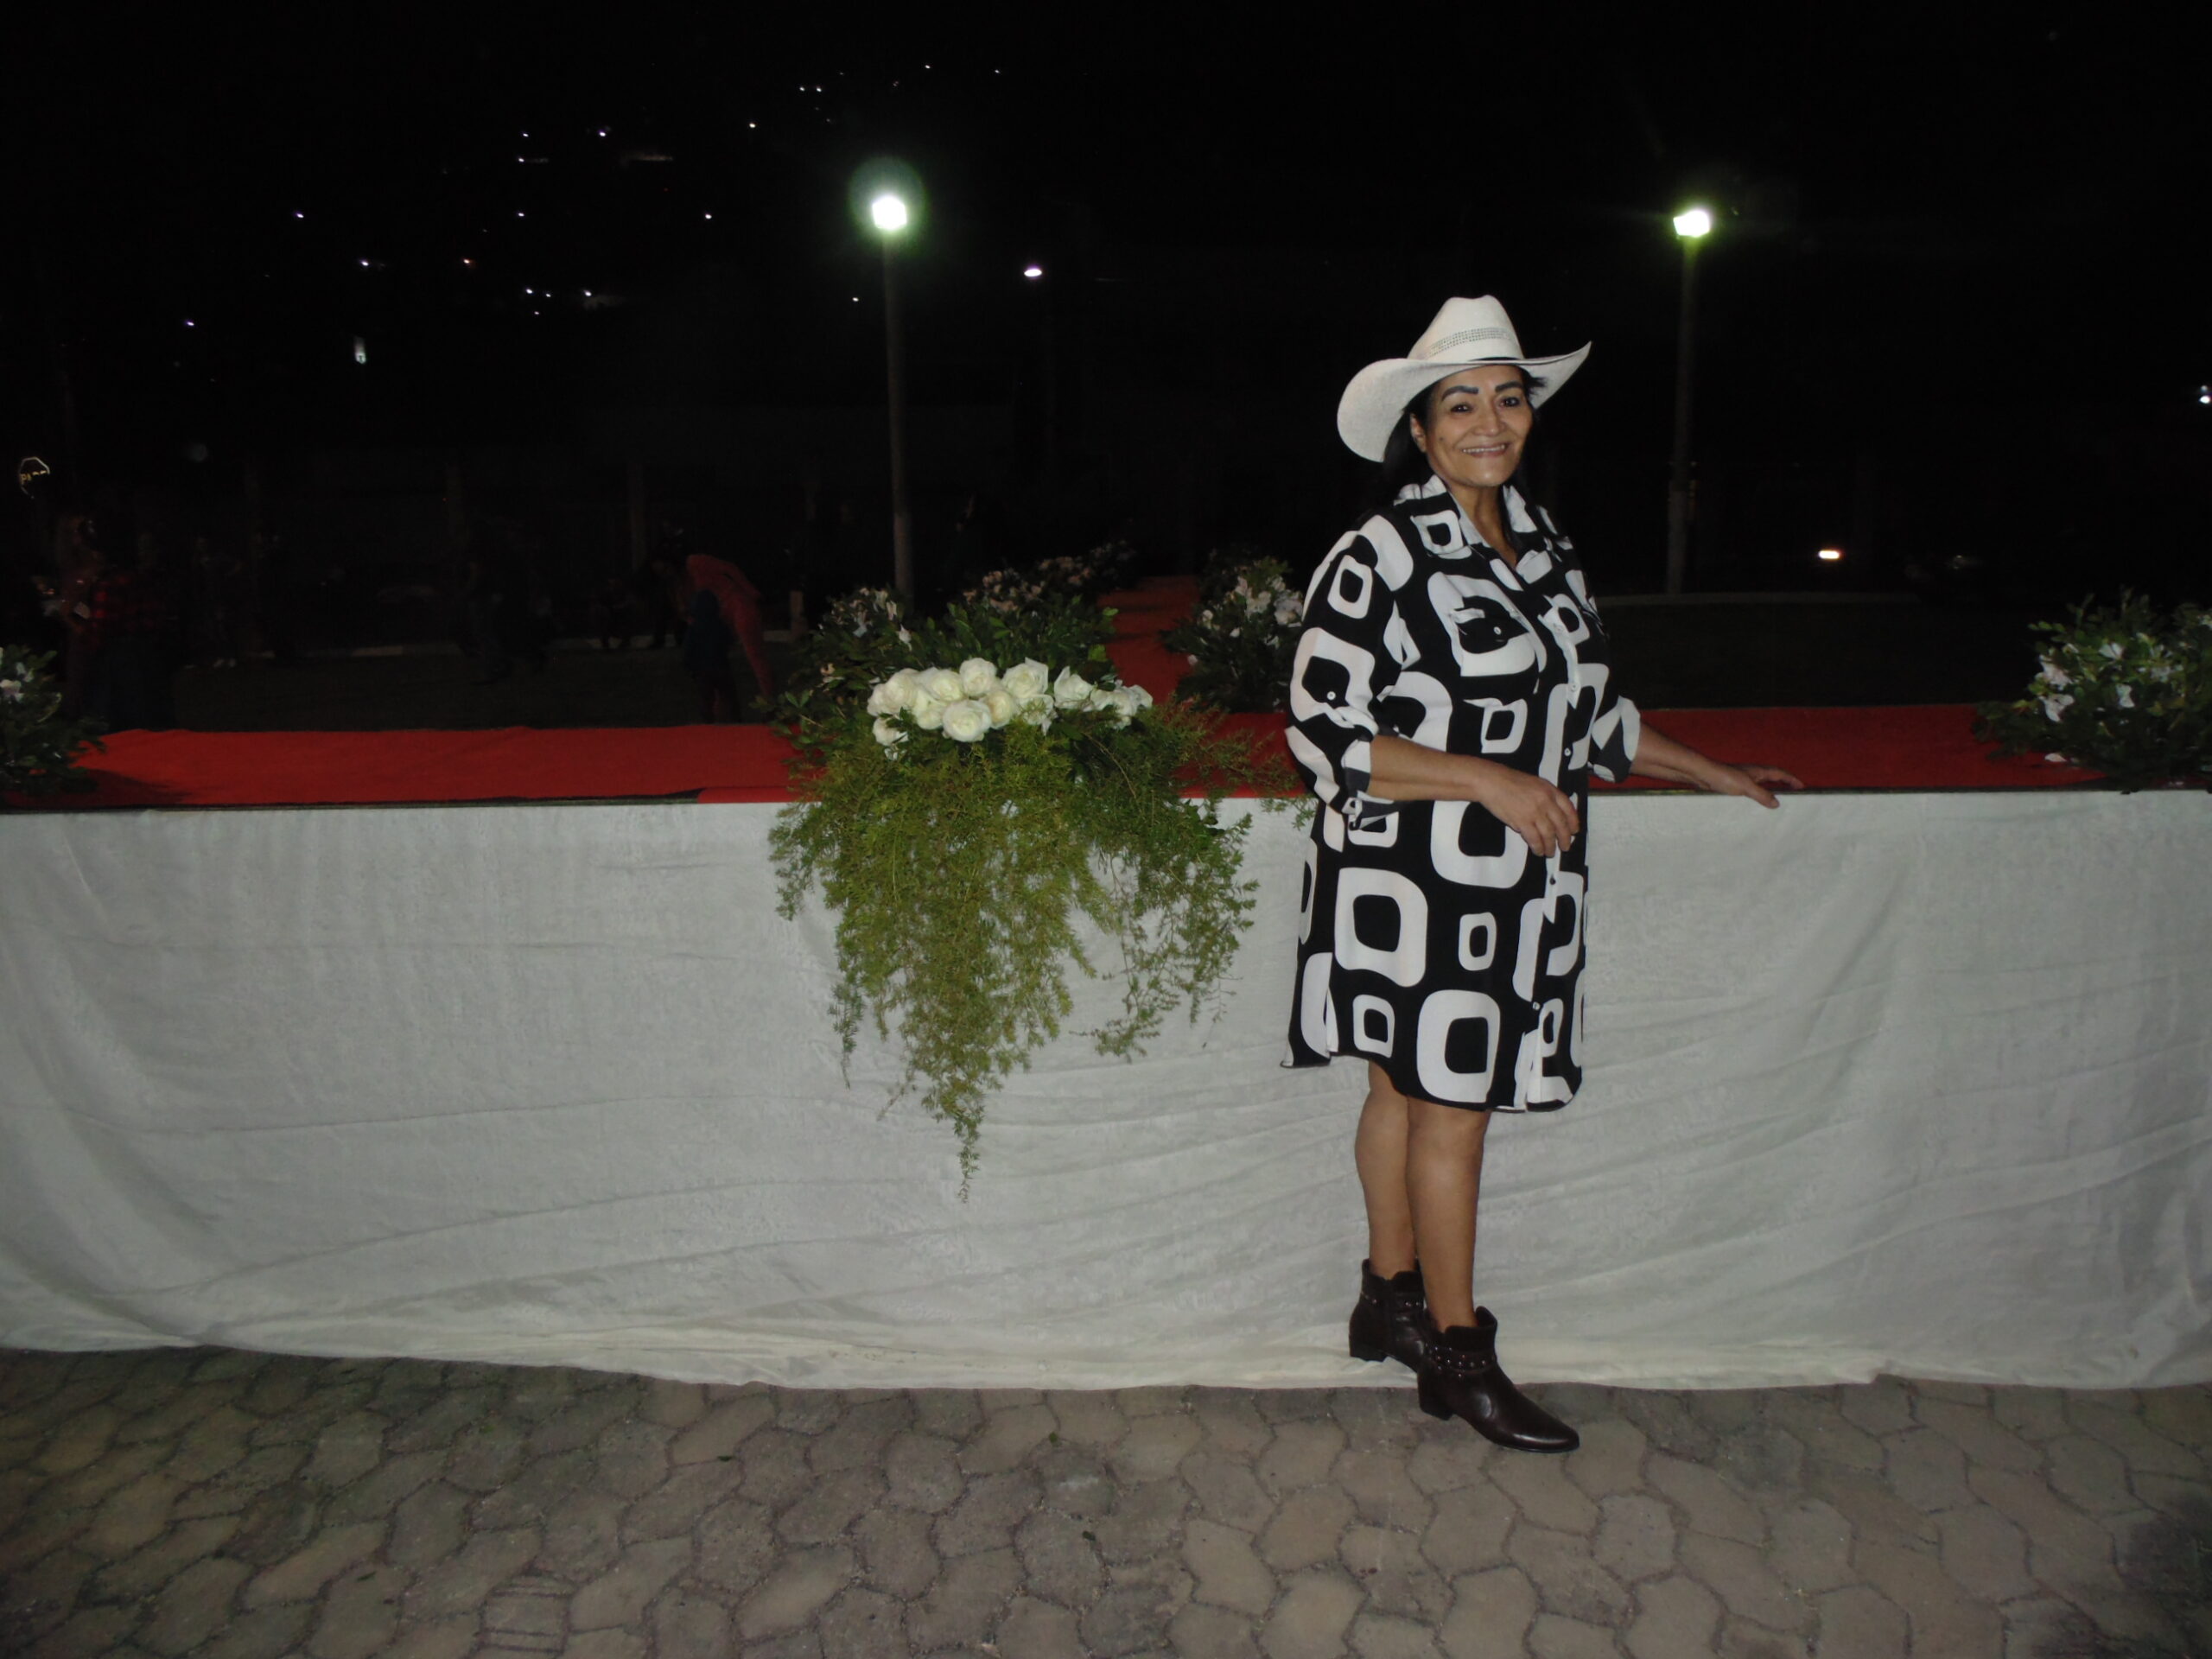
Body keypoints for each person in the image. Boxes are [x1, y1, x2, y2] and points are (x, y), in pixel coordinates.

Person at [1287, 296, 1802, 1453]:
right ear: (1419, 430)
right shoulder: (1379, 555)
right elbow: (1323, 734)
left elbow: (1589, 714)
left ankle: (1387, 1301)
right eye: (1461, 404)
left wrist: (1709, 770)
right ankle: (1456, 1355)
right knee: (1443, 1109)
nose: (1490, 421)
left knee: (1406, 1095)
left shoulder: (1543, 541)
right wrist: (1486, 779)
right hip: (1413, 878)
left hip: (1509, 884)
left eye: (1508, 398)